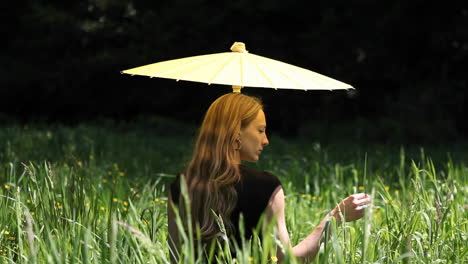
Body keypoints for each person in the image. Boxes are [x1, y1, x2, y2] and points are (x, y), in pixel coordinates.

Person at [167, 93, 371, 263]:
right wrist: (334, 218)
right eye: (260, 130)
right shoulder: (266, 187)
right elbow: (288, 260)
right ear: (236, 133)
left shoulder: (181, 185)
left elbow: (175, 258)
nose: (266, 140)